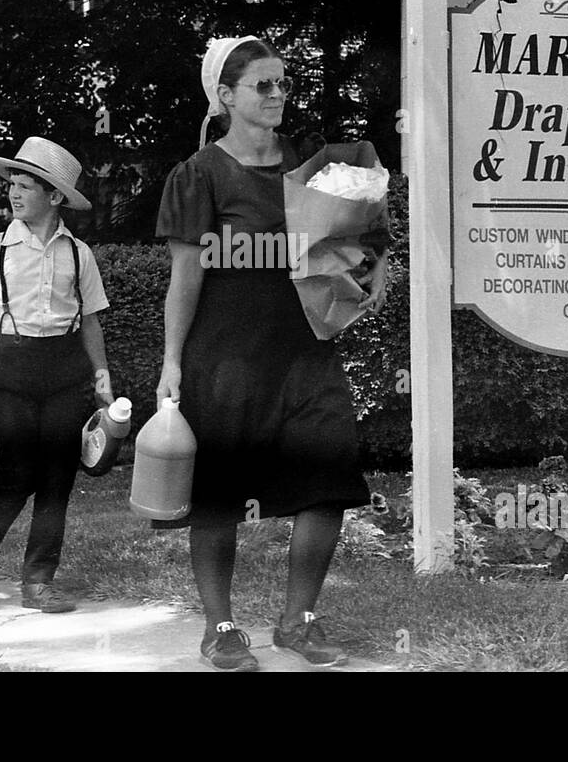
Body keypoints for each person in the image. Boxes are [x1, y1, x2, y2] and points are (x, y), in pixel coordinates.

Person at [154, 36, 391, 670]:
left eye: (283, 81)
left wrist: (368, 275)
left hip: (307, 352)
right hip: (225, 356)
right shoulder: (200, 174)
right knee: (221, 493)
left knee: (328, 479)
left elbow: (355, 248)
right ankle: (220, 627)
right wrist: (172, 363)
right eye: (263, 84)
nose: (278, 92)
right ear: (225, 97)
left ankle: (299, 621)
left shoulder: (314, 169)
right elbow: (185, 276)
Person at [0, 136, 113, 613]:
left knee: (58, 477)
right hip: (11, 368)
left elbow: (91, 319)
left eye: (25, 187)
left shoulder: (78, 254)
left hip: (64, 370)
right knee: (18, 472)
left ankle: (39, 579)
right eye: (11, 185)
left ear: (54, 196)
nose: (13, 195)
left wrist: (101, 374)